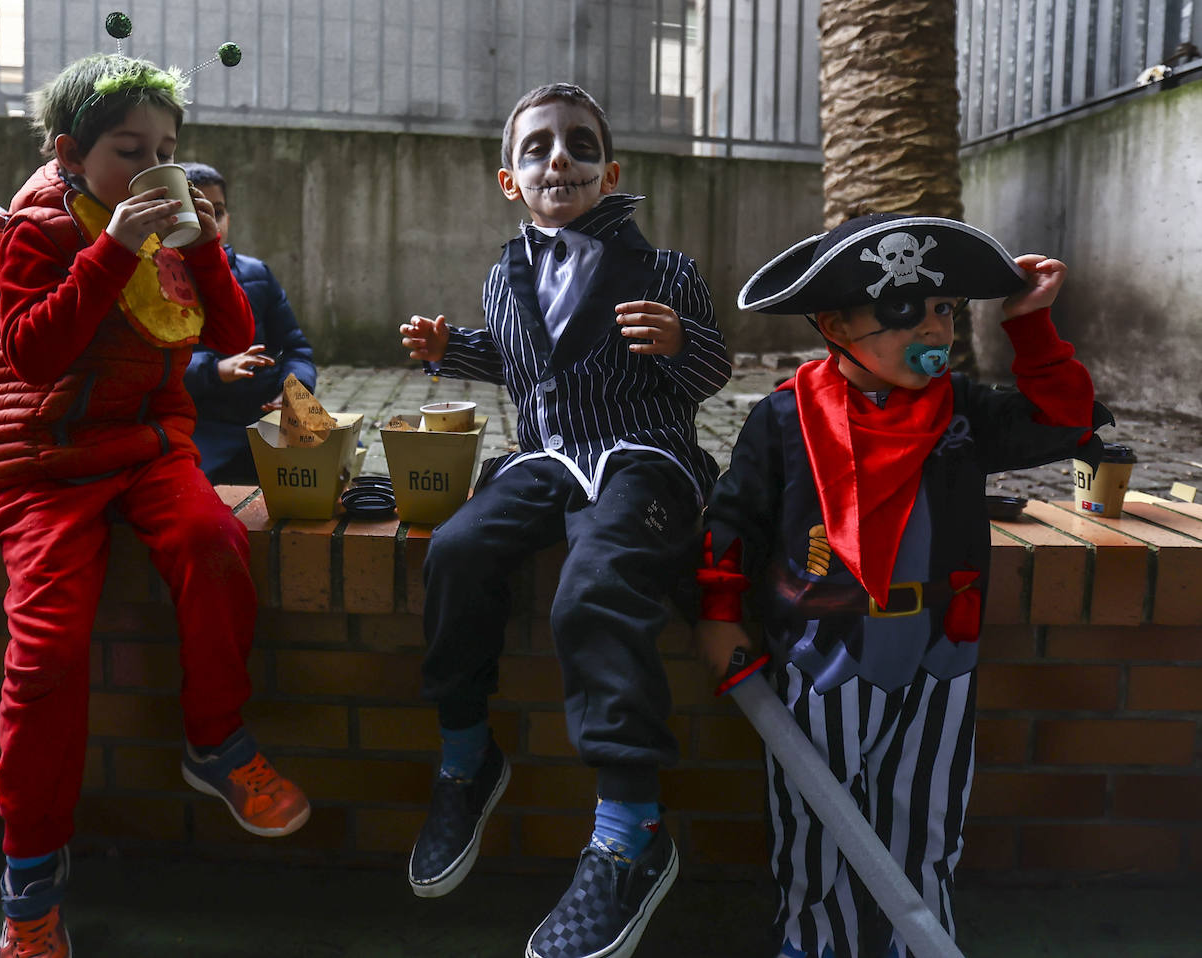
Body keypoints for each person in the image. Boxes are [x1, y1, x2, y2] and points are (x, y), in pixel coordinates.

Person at [696, 213, 1110, 958]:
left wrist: (1031, 328)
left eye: (946, 308)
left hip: (939, 658)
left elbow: (1064, 420)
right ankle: (815, 944)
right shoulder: (784, 419)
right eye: (902, 309)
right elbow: (733, 525)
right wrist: (719, 619)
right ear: (834, 322)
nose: (935, 328)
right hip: (825, 658)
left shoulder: (962, 414)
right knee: (816, 829)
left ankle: (915, 944)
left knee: (926, 823)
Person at [0, 53, 310, 957]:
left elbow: (239, 337)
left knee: (213, 543)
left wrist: (203, 250)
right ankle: (32, 885)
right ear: (70, 153)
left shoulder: (173, 234)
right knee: (46, 652)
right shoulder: (38, 226)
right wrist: (114, 244)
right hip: (47, 462)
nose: (154, 164)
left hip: (150, 446)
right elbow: (37, 354)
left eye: (166, 147)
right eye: (131, 148)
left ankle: (216, 742)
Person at [399, 82, 732, 958]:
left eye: (580, 146)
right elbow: (519, 363)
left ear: (609, 170)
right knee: (459, 550)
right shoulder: (505, 273)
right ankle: (467, 757)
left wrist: (679, 344)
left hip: (641, 456)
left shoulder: (667, 272)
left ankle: (631, 829)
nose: (560, 159)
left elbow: (712, 371)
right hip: (545, 455)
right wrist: (448, 353)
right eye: (539, 147)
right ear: (510, 179)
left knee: (594, 587)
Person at [180, 161, 317, 485]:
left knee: (338, 457)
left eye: (217, 210)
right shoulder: (161, 280)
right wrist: (216, 370)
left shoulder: (257, 274)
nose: (209, 221)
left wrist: (295, 390)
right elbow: (155, 368)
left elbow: (296, 348)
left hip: (266, 414)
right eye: (196, 210)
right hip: (203, 425)